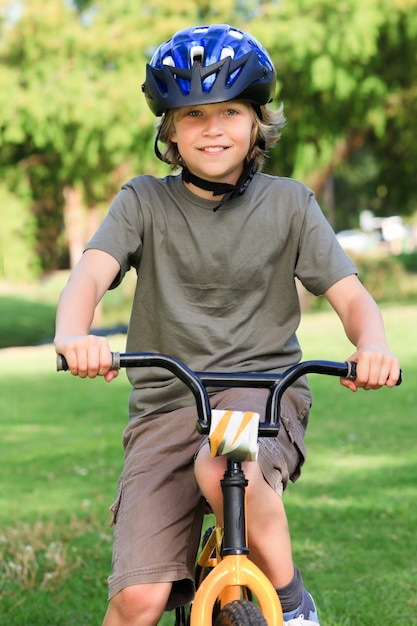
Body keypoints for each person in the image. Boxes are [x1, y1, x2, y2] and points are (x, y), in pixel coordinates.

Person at [54, 24, 400, 626]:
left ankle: (292, 607)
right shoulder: (141, 203)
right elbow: (88, 275)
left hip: (259, 395)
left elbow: (352, 298)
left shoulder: (291, 204)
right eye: (192, 115)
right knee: (137, 600)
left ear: (257, 122)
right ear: (169, 130)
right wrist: (73, 333)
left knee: (222, 463)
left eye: (230, 112)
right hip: (166, 405)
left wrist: (372, 344)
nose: (212, 128)